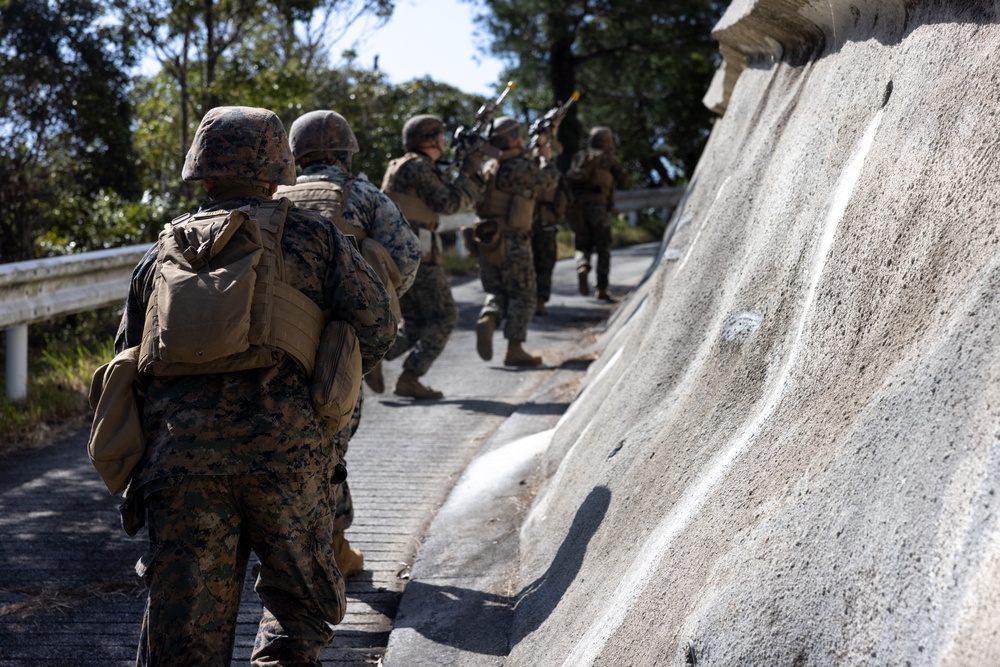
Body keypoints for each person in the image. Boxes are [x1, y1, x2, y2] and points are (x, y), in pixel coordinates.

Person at [113, 106, 396, 666]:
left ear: (204, 172)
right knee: (297, 615)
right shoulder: (315, 238)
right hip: (285, 457)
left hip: (179, 464)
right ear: (276, 174)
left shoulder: (162, 252)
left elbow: (127, 357)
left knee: (184, 638)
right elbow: (379, 327)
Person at [275, 109, 421, 579]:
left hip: (278, 340)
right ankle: (332, 547)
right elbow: (407, 258)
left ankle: (303, 544)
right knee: (331, 444)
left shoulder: (271, 198)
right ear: (347, 152)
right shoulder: (364, 195)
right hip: (340, 345)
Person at [380, 114, 485, 399]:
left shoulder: (402, 166)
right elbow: (448, 202)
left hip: (400, 255)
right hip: (418, 255)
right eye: (440, 137)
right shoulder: (418, 167)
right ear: (430, 140)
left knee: (414, 323)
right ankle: (410, 377)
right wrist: (468, 173)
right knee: (444, 316)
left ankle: (374, 358)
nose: (444, 142)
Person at [473, 116, 560, 366]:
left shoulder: (492, 166)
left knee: (498, 289)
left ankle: (489, 316)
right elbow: (549, 180)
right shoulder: (519, 167)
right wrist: (546, 156)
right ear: (513, 138)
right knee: (524, 294)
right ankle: (514, 349)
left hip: (488, 238)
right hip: (512, 240)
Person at [566, 125, 630, 301]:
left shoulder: (581, 157)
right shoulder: (609, 160)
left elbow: (569, 179)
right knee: (603, 248)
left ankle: (582, 266)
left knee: (581, 243)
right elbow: (625, 181)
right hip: (599, 208)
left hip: (578, 208)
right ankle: (601, 288)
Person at [528, 132, 570, 316]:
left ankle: (531, 301)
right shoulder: (547, 171)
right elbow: (564, 195)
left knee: (531, 263)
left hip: (529, 223)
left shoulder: (523, 167)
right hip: (544, 222)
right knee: (544, 263)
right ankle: (538, 301)